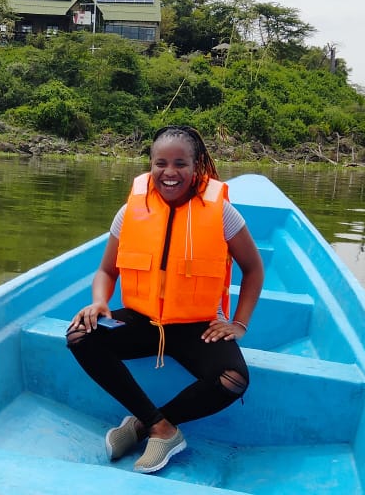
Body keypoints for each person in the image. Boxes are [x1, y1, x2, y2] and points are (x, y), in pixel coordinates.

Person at [65, 125, 264, 474]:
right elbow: (107, 271)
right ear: (150, 165)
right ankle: (159, 426)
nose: (169, 173)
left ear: (196, 165)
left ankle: (148, 425)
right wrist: (100, 301)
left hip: (198, 326)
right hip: (144, 320)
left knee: (233, 378)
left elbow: (254, 269)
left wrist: (239, 324)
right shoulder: (130, 211)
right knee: (80, 334)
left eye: (180, 163)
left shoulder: (222, 213)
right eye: (160, 163)